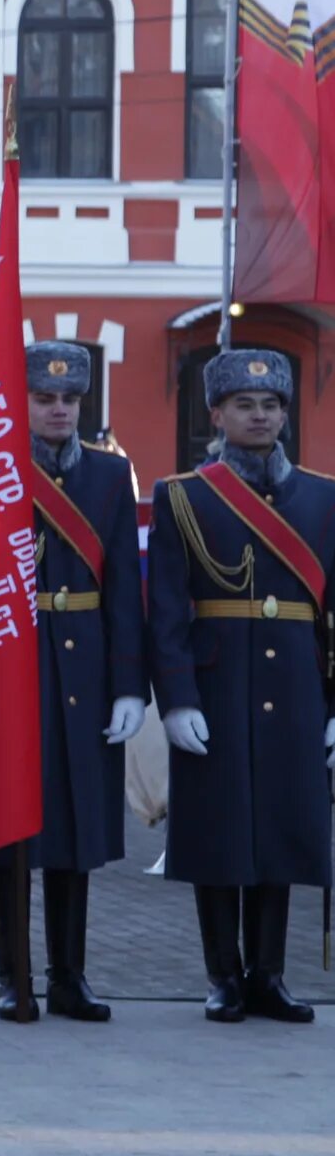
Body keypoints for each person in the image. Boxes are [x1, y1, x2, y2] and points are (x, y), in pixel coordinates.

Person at [0, 342, 145, 1020]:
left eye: (70, 399)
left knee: (75, 830)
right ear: (19, 403)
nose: (59, 409)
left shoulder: (112, 479)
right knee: (10, 826)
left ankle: (68, 975)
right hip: (11, 659)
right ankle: (13, 974)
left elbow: (122, 589)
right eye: (44, 398)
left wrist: (127, 686)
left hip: (83, 662)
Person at [147, 346, 335, 1023]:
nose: (260, 415)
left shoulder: (322, 496)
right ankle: (222, 976)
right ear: (217, 413)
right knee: (219, 831)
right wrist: (176, 699)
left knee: (281, 829)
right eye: (244, 405)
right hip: (216, 683)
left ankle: (268, 975)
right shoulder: (183, 497)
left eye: (272, 404)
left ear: (285, 413)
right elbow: (166, 608)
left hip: (297, 689)